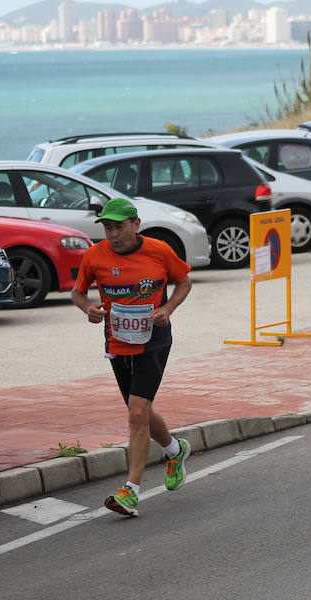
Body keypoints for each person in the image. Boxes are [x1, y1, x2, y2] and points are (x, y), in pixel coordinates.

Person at [71, 197, 193, 517]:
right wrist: (89, 308)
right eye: (107, 228)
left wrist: (167, 308)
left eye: (119, 227)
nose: (113, 234)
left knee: (137, 413)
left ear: (135, 224)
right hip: (117, 342)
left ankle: (131, 491)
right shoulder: (94, 256)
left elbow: (184, 281)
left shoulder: (159, 250)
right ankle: (175, 450)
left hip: (153, 341)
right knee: (139, 410)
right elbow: (78, 291)